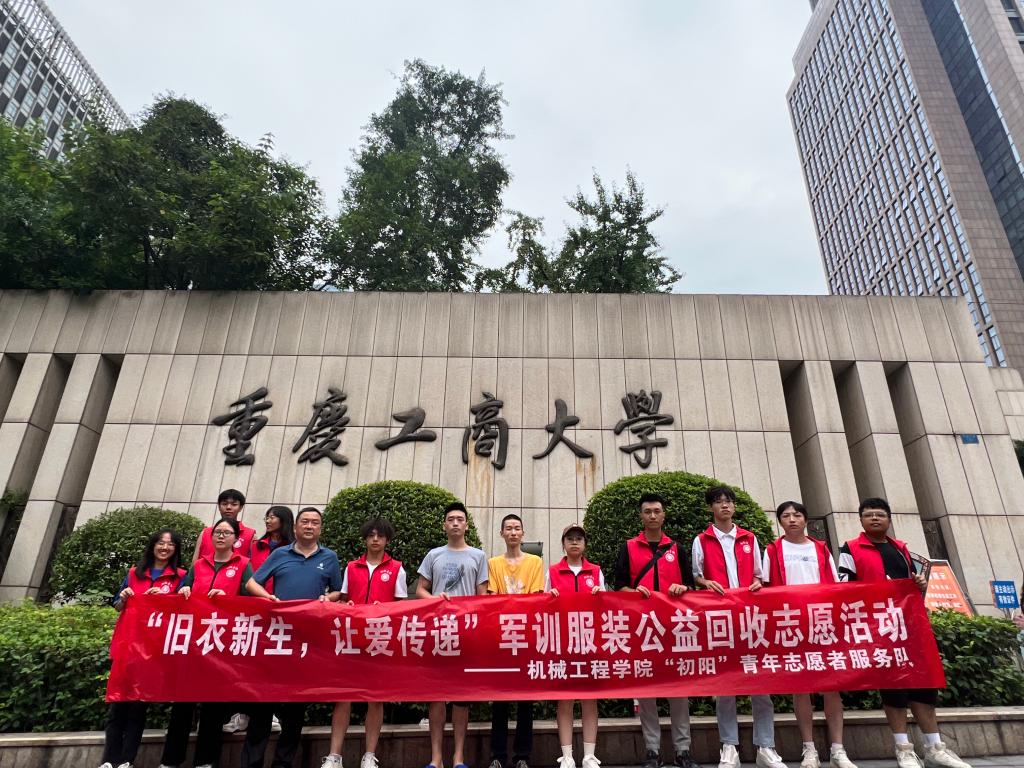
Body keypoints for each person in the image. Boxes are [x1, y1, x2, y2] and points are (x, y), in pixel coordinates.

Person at [837, 498, 971, 768]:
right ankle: (903, 749)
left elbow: (910, 584)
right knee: (893, 688)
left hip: (909, 626)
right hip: (879, 628)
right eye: (869, 515)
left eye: (880, 514)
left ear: (889, 519)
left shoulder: (900, 548)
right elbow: (843, 584)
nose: (875, 518)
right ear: (861, 520)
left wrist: (917, 582)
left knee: (923, 686)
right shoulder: (850, 548)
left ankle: (935, 747)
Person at [162, 517, 273, 768]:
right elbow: (184, 589)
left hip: (221, 644)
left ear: (236, 539)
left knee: (213, 705)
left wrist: (228, 597)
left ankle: (205, 761)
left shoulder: (243, 564)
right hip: (194, 641)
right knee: (182, 704)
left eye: (227, 533)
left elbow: (250, 598)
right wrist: (183, 590)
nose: (221, 536)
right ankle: (170, 760)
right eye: (217, 532)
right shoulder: (199, 565)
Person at [242, 506, 343, 768]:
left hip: (307, 641)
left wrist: (327, 598)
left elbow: (338, 591)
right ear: (296, 527)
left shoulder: (329, 557)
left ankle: (283, 763)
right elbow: (252, 583)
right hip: (276, 637)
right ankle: (252, 763)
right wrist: (268, 598)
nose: (309, 526)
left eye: (314, 523)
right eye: (305, 522)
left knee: (296, 708)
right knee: (263, 704)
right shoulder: (280, 554)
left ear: (320, 529)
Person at [692, 486, 785, 768]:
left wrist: (756, 583)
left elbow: (759, 575)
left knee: (761, 685)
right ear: (711, 507)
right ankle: (729, 746)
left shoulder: (749, 538)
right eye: (719, 502)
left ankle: (765, 746)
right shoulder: (702, 540)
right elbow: (697, 575)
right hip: (719, 620)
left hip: (749, 619)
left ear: (734, 507)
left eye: (728, 502)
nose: (724, 506)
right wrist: (706, 583)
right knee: (725, 686)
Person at [761, 502, 855, 768]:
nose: (792, 519)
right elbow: (766, 587)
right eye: (786, 516)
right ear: (780, 521)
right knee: (801, 688)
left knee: (831, 687)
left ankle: (838, 750)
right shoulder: (772, 550)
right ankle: (809, 749)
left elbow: (835, 586)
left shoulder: (820, 548)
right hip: (791, 624)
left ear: (805, 519)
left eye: (797, 515)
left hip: (822, 623)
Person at [615, 493, 697, 768]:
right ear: (641, 516)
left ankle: (683, 750)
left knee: (679, 691)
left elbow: (690, 586)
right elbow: (619, 587)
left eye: (657, 511)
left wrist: (683, 588)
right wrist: (634, 592)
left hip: (675, 628)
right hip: (643, 628)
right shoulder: (628, 547)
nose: (652, 515)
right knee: (647, 691)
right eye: (647, 511)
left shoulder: (677, 548)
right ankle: (652, 750)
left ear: (664, 515)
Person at [322, 518, 408, 768]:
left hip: (380, 640)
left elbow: (401, 606)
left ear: (387, 540)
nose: (375, 540)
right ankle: (334, 755)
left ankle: (369, 755)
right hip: (351, 638)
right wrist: (346, 604)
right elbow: (344, 598)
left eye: (380, 536)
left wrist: (386, 609)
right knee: (343, 697)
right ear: (365, 539)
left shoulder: (397, 569)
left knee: (375, 698)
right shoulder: (352, 567)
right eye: (371, 535)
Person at [98, 529, 187, 768]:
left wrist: (165, 599)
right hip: (128, 646)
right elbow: (117, 606)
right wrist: (124, 597)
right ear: (153, 546)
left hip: (153, 651)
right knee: (117, 705)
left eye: (170, 544)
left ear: (176, 549)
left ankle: (127, 760)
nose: (165, 547)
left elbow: (183, 610)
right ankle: (109, 760)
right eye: (161, 543)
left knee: (138, 707)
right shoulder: (133, 573)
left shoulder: (180, 576)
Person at [416, 501, 489, 768]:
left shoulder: (478, 556)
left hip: (466, 632)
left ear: (467, 525)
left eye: (460, 519)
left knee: (461, 698)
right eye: (451, 519)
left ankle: (458, 757)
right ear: (444, 525)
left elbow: (482, 596)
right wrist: (435, 599)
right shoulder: (433, 555)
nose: (455, 523)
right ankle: (436, 758)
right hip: (438, 631)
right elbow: (420, 589)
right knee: (436, 696)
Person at [223, 506, 295, 735]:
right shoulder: (255, 545)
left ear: (284, 520)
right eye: (267, 517)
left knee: (274, 663)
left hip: (282, 611)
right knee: (248, 663)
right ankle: (243, 713)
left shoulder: (292, 548)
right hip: (254, 608)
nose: (268, 520)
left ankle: (270, 712)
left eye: (273, 517)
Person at [487, 514, 544, 768]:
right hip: (501, 637)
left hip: (527, 636)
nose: (513, 532)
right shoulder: (493, 563)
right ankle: (497, 756)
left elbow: (536, 597)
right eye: (508, 528)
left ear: (522, 533)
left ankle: (522, 756)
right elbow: (492, 598)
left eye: (517, 528)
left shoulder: (535, 562)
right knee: (499, 700)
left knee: (525, 700)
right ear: (502, 533)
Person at [546, 524, 604, 768]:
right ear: (563, 544)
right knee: (565, 699)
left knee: (590, 699)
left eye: (579, 538)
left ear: (585, 544)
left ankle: (589, 755)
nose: (574, 542)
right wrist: (551, 598)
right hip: (563, 643)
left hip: (590, 642)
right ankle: (567, 755)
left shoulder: (596, 571)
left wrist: (601, 594)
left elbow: (608, 606)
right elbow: (543, 604)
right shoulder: (553, 571)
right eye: (570, 539)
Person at [193, 488, 255, 564]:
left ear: (241, 507)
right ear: (219, 506)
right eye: (224, 504)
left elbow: (253, 564)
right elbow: (195, 562)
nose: (228, 507)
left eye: (234, 504)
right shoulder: (205, 533)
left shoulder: (250, 535)